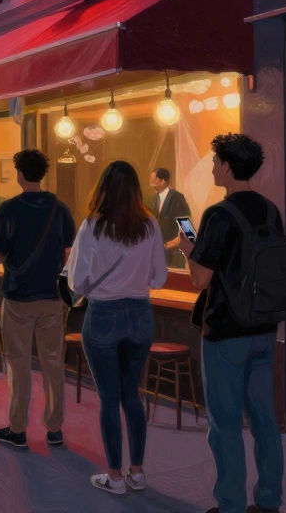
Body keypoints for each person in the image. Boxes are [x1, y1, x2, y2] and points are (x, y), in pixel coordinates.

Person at [177, 134, 284, 513]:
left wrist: (189, 249)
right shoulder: (270, 210)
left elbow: (201, 280)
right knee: (264, 419)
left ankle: (231, 505)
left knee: (224, 424)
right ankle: (269, 500)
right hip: (264, 328)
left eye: (214, 161)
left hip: (225, 333)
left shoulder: (218, 215)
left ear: (226, 166)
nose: (210, 167)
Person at [66, 161, 169, 495]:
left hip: (104, 315)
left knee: (109, 398)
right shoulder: (150, 225)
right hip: (140, 314)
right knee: (132, 395)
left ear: (103, 187)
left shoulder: (93, 225)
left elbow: (78, 280)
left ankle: (113, 476)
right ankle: (137, 472)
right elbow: (160, 278)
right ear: (138, 188)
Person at [0, 149, 76, 448]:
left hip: (18, 297)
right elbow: (68, 255)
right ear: (43, 174)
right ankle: (54, 428)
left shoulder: (8, 209)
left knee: (19, 363)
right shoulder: (60, 209)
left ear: (20, 174)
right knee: (52, 362)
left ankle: (18, 428)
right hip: (52, 296)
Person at [148, 168, 192, 268]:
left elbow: (188, 231)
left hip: (173, 256)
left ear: (162, 181)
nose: (150, 183)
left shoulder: (177, 198)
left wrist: (168, 245)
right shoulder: (155, 199)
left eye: (153, 180)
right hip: (157, 256)